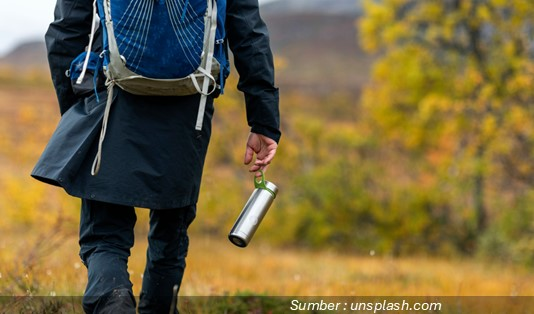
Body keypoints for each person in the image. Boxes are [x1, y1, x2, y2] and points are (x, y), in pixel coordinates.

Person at [31, 0, 281, 313]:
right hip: (191, 106)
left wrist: (76, 110)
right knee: (171, 234)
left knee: (104, 236)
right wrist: (264, 120)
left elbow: (65, 30)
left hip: (113, 97)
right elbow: (250, 35)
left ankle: (113, 302)